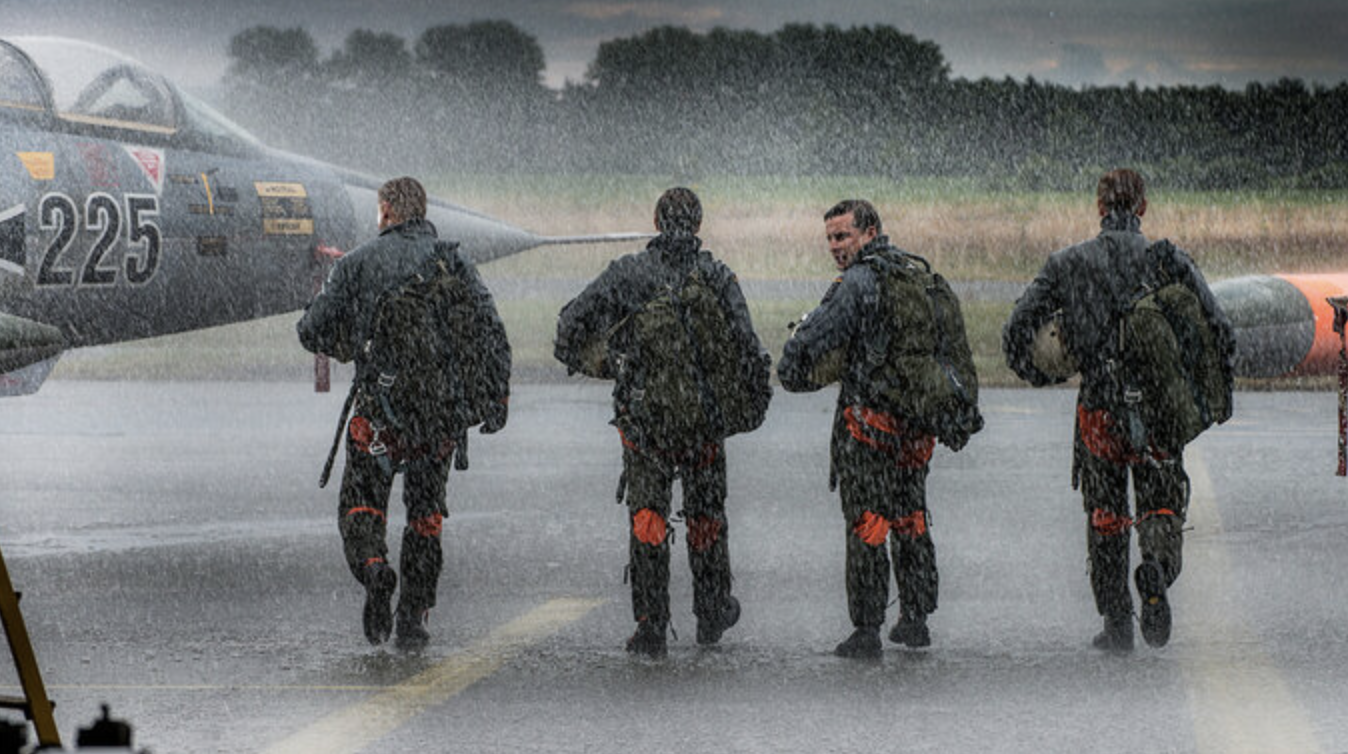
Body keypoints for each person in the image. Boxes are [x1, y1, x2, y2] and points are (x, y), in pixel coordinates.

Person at [1002, 168, 1234, 652]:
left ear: (1098, 207)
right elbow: (1220, 328)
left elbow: (1015, 330)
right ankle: (1156, 570)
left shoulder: (1067, 263)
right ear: (1143, 207)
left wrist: (1042, 371)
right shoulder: (1167, 258)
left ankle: (1116, 623)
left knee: (1105, 515)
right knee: (1162, 507)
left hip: (1100, 412)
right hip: (1159, 413)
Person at [554, 187, 771, 658]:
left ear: (656, 220)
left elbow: (569, 326)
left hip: (645, 425)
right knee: (707, 520)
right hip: (704, 427)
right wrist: (743, 411)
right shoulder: (717, 276)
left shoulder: (627, 274)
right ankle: (711, 611)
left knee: (648, 520)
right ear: (699, 222)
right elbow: (749, 349)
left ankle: (651, 624)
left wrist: (609, 364)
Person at [297, 176, 510, 651]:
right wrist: (497, 399)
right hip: (437, 420)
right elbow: (491, 332)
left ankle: (375, 570)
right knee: (425, 518)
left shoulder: (357, 263)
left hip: (379, 416)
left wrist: (351, 338)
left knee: (362, 504)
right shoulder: (455, 261)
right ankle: (414, 618)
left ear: (387, 210)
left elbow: (312, 330)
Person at [777, 200, 948, 659]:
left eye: (843, 236)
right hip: (915, 430)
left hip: (868, 428)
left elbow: (814, 341)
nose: (835, 247)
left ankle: (868, 630)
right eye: (830, 238)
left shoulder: (856, 283)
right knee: (912, 518)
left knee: (868, 523)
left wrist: (790, 362)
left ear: (869, 232)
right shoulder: (916, 276)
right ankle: (916, 620)